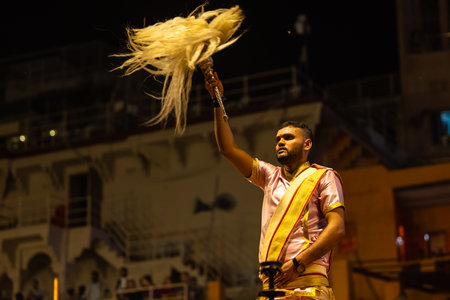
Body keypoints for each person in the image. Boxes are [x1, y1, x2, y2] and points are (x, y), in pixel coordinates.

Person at [203, 71, 345, 299]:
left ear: (307, 144)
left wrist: (298, 263)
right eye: (278, 138)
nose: (280, 141)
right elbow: (227, 148)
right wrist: (217, 100)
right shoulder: (270, 176)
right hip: (273, 287)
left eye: (288, 137)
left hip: (309, 283)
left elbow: (337, 228)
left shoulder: (324, 176)